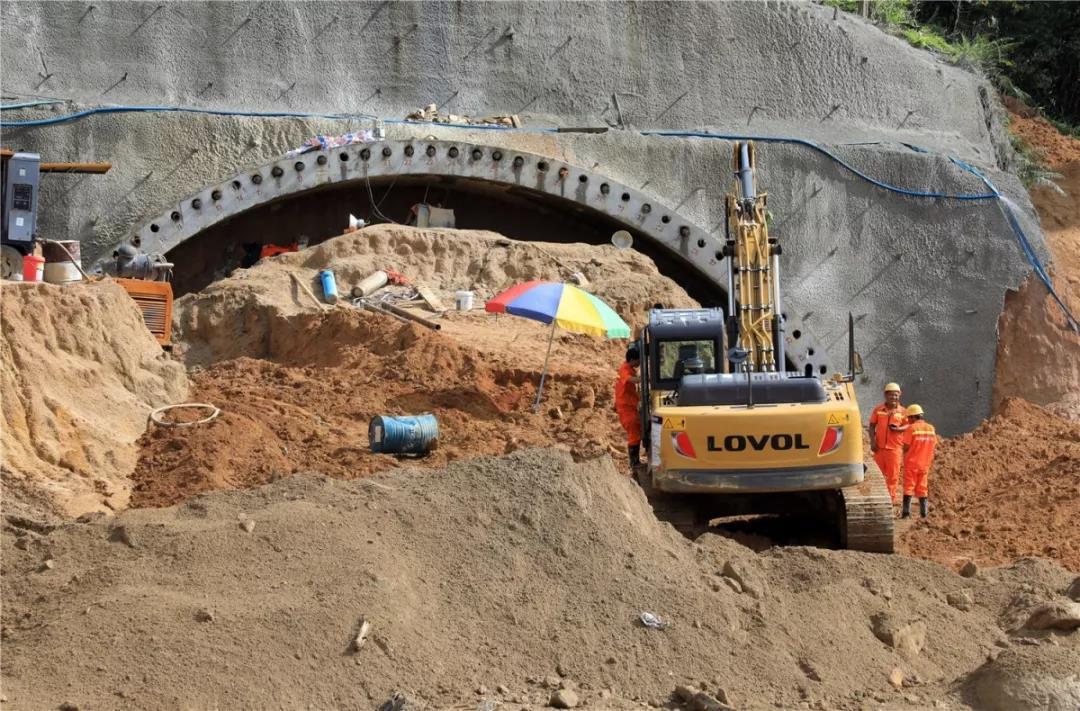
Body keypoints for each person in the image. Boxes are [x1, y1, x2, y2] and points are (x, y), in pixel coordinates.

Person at [868, 382, 905, 503]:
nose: (893, 397)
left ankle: (889, 501)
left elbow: (909, 426)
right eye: (891, 395)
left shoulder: (903, 412)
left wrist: (899, 429)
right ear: (886, 395)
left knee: (893, 477)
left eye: (896, 395)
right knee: (878, 476)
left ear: (899, 395)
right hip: (879, 448)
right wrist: (873, 442)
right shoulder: (878, 410)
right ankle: (877, 499)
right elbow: (872, 426)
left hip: (894, 450)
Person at [899, 404, 937, 518]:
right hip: (925, 463)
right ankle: (924, 513)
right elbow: (934, 444)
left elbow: (905, 446)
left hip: (912, 462)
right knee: (922, 487)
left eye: (909, 418)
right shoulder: (931, 428)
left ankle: (906, 513)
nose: (908, 420)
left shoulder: (911, 428)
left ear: (913, 417)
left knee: (909, 487)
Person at [615, 344, 643, 468]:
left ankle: (635, 461)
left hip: (631, 407)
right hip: (625, 408)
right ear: (632, 360)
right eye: (638, 360)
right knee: (634, 433)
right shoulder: (625, 370)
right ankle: (634, 462)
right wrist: (643, 379)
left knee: (636, 431)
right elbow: (630, 380)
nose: (639, 362)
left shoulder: (631, 369)